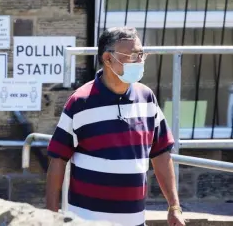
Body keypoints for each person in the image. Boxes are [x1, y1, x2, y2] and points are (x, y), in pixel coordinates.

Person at [46, 27, 185, 226]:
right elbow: (58, 159)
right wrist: (51, 216)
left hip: (134, 221)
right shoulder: (79, 102)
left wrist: (174, 207)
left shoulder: (147, 98)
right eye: (131, 56)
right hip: (86, 222)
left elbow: (161, 153)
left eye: (141, 54)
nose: (139, 61)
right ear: (108, 59)